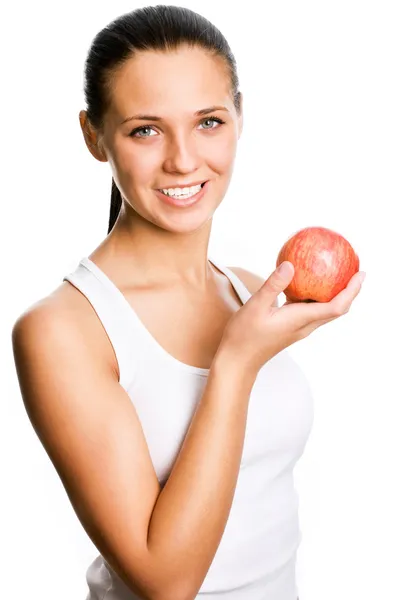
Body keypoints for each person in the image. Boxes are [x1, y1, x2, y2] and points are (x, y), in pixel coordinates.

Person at [11, 6, 365, 600]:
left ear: (240, 118)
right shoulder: (62, 331)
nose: (182, 159)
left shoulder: (253, 290)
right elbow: (165, 582)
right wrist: (235, 363)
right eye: (145, 129)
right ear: (94, 135)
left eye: (208, 122)